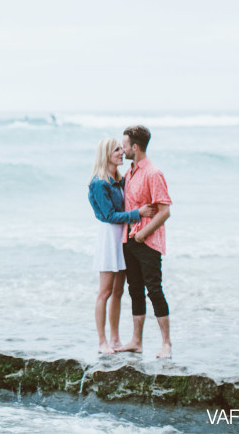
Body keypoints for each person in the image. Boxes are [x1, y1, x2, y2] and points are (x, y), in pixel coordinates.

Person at [88, 138, 157, 354]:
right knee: (105, 291)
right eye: (116, 150)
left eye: (121, 148)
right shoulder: (99, 183)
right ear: (106, 154)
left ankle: (115, 339)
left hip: (123, 236)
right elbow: (108, 215)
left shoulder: (119, 179)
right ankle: (102, 341)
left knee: (118, 291)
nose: (121, 152)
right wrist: (138, 214)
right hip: (110, 237)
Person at [117, 124, 173, 359]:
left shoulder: (153, 173)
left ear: (135, 147)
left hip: (147, 242)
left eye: (125, 145)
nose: (122, 149)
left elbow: (164, 211)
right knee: (135, 290)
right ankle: (136, 341)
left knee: (154, 290)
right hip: (128, 240)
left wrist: (142, 234)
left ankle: (166, 344)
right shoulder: (130, 172)